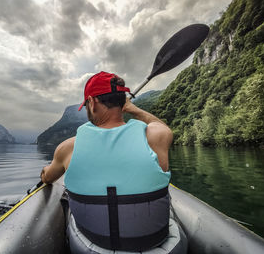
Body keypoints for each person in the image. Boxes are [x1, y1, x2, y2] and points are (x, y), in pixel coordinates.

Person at [41, 71, 173, 252]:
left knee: (67, 200)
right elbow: (163, 127)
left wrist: (44, 171)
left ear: (92, 102)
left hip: (93, 246)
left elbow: (47, 177)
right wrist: (133, 109)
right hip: (156, 243)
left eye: (86, 104)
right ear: (122, 102)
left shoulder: (67, 148)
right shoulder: (155, 136)